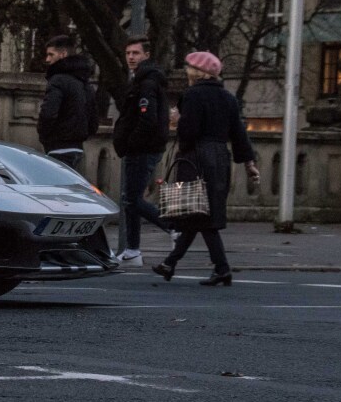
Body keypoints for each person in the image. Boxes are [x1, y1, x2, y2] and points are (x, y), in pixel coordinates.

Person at [153, 52, 259, 286]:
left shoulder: (193, 95)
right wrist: (249, 164)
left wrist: (178, 127)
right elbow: (239, 134)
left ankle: (220, 268)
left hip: (196, 158)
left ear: (197, 72)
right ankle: (170, 263)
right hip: (220, 158)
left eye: (189, 67)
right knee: (199, 214)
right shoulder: (228, 98)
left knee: (199, 214)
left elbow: (188, 131)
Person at [112, 36, 171, 266]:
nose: (130, 57)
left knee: (132, 200)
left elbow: (147, 119)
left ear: (146, 54)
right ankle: (132, 250)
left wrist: (130, 142)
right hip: (142, 147)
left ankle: (171, 227)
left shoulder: (147, 82)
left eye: (135, 53)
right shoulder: (142, 79)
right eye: (128, 53)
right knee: (130, 199)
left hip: (142, 148)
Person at [37, 35, 98, 170]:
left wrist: (44, 136)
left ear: (63, 54)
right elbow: (93, 118)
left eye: (51, 54)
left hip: (58, 147)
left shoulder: (58, 80)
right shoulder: (84, 83)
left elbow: (48, 113)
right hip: (78, 148)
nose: (47, 59)